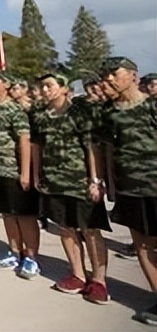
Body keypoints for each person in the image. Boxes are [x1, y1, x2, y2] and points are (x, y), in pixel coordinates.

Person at [31, 72, 111, 304]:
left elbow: (91, 148)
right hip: (54, 181)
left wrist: (96, 180)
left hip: (80, 182)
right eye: (42, 86)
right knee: (65, 228)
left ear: (65, 88)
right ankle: (77, 273)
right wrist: (37, 175)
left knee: (90, 230)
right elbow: (37, 147)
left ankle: (99, 281)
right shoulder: (40, 116)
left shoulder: (80, 113)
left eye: (50, 85)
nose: (45, 90)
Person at [96, 57, 157, 325]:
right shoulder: (108, 113)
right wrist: (108, 182)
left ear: (133, 75)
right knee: (143, 245)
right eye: (105, 75)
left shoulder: (152, 106)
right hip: (129, 189)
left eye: (114, 74)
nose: (108, 79)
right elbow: (107, 149)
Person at [0, 69, 41, 279]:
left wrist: (25, 172)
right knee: (6, 213)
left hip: (13, 169)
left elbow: (24, 140)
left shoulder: (15, 110)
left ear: (5, 84)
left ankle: (31, 258)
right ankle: (14, 252)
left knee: (24, 215)